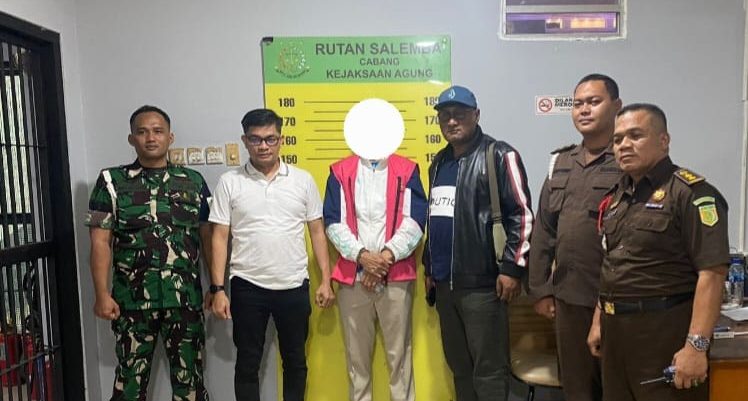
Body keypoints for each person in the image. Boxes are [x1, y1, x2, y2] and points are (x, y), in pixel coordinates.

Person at [587, 103, 729, 401]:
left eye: (636, 135)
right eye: (618, 139)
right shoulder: (618, 197)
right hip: (616, 336)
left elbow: (712, 274)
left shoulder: (691, 194)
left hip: (663, 335)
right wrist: (599, 319)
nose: (624, 145)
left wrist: (696, 347)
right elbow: (613, 263)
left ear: (664, 141)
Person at [86, 105, 211, 401]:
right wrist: (101, 294)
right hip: (131, 302)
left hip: (184, 300)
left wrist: (216, 287)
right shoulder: (111, 181)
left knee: (190, 385)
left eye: (158, 131)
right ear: (131, 138)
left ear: (170, 137)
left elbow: (208, 238)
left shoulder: (193, 182)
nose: (151, 138)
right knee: (129, 386)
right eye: (142, 132)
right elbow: (100, 242)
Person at [209, 108, 335, 401]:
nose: (263, 146)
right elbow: (219, 237)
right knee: (247, 363)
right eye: (255, 139)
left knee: (295, 361)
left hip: (293, 285)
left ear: (281, 140)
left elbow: (317, 232)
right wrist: (218, 289)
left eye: (270, 139)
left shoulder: (302, 180)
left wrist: (326, 280)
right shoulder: (229, 182)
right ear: (245, 140)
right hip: (247, 286)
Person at [423, 85, 533, 401]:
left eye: (459, 114)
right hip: (445, 288)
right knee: (460, 367)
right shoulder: (438, 163)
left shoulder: (498, 155)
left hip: (484, 288)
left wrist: (512, 269)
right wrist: (430, 267)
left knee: (489, 371)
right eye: (445, 115)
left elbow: (522, 215)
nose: (451, 121)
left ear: (476, 115)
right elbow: (436, 219)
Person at [528, 73, 622, 401]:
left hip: (615, 300)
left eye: (594, 102)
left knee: (616, 387)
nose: (584, 109)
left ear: (616, 106)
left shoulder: (628, 160)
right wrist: (541, 289)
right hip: (568, 299)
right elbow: (543, 231)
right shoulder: (561, 163)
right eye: (578, 103)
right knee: (577, 389)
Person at [323, 150, 427, 401]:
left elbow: (415, 221)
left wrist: (385, 258)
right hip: (353, 279)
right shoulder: (340, 171)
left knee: (399, 358)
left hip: (396, 276)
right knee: (356, 360)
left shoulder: (407, 169)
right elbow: (333, 222)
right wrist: (362, 257)